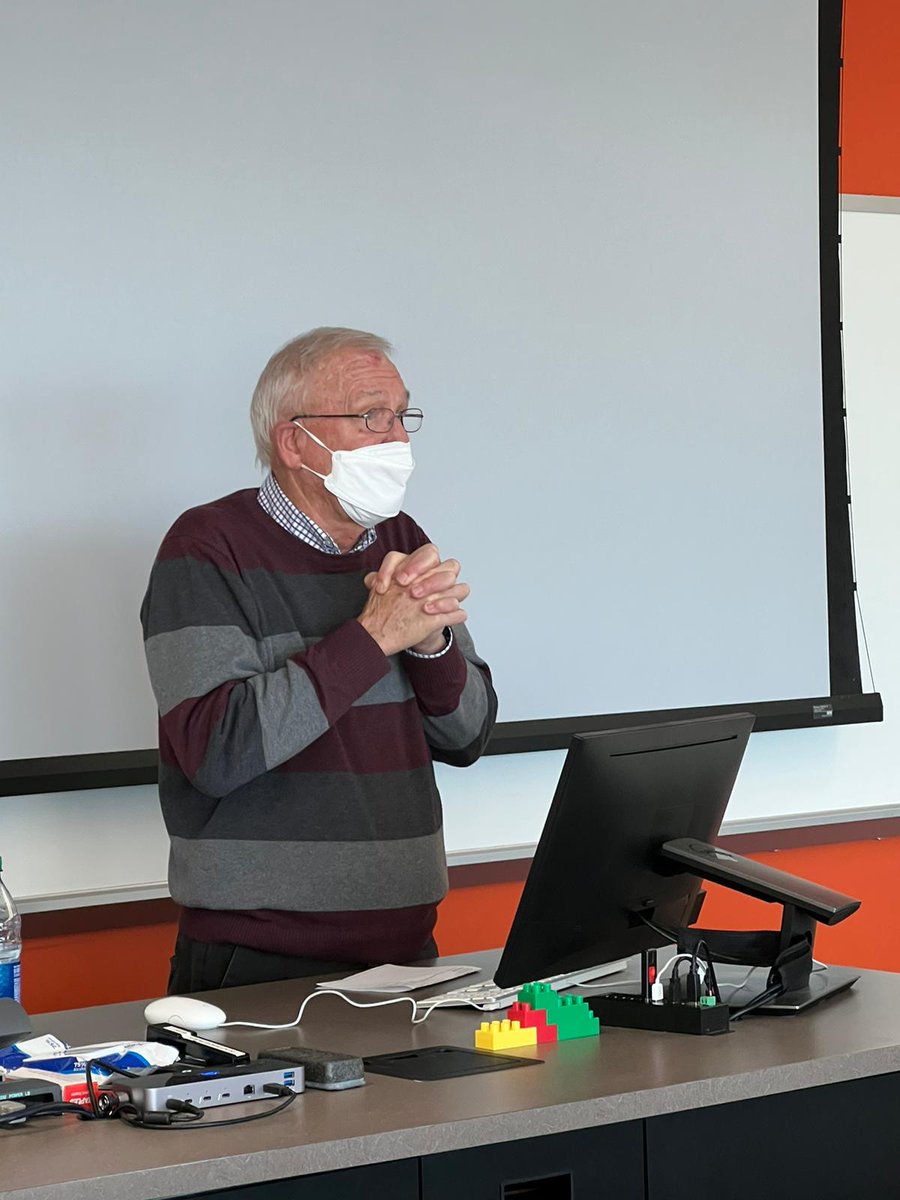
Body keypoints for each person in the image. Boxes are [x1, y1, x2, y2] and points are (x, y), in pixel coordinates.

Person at [140, 327, 498, 993]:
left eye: (401, 415)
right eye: (371, 417)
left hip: (406, 951)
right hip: (257, 962)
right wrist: (372, 638)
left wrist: (430, 644)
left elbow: (469, 734)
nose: (398, 439)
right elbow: (218, 751)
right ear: (295, 441)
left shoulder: (400, 537)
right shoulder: (206, 548)